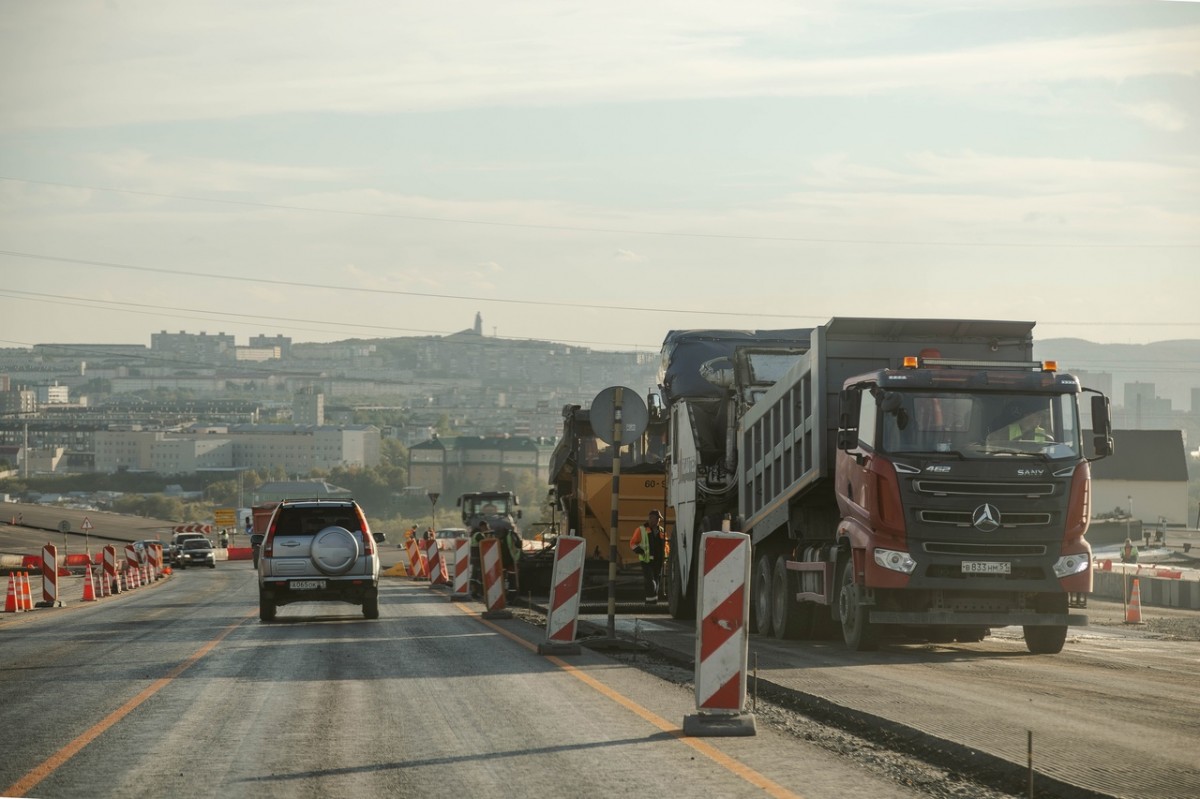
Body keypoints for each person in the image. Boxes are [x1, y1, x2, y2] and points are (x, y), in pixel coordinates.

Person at [630, 510, 667, 604]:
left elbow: (666, 546)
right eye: (657, 518)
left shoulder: (662, 530)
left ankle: (653, 601)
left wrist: (666, 557)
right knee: (650, 581)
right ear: (651, 518)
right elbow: (632, 543)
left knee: (656, 581)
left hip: (658, 561)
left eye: (659, 519)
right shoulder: (641, 529)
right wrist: (639, 550)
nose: (658, 520)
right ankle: (650, 601)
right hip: (646, 560)